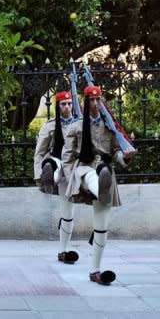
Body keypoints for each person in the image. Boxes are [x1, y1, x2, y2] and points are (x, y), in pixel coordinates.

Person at [62, 85, 136, 285]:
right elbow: (67, 158)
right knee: (97, 178)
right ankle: (102, 185)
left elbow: (115, 152)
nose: (95, 104)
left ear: (102, 101)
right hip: (85, 169)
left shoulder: (109, 126)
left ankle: (95, 271)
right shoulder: (76, 127)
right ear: (85, 103)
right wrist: (71, 181)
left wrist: (125, 157)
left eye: (98, 100)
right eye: (91, 101)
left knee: (102, 225)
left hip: (104, 167)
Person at [33, 91, 79, 264]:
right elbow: (39, 153)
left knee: (68, 213)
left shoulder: (80, 124)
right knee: (51, 163)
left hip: (74, 170)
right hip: (58, 167)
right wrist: (38, 176)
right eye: (63, 104)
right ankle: (48, 175)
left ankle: (63, 251)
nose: (67, 107)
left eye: (69, 103)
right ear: (58, 107)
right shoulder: (50, 126)